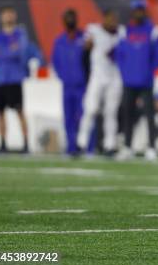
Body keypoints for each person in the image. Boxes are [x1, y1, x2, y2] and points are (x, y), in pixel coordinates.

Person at [116, 0, 158, 161]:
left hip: (146, 81)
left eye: (141, 9)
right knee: (128, 115)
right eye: (136, 9)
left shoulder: (153, 31)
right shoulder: (124, 31)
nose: (138, 12)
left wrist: (149, 73)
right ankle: (127, 147)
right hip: (129, 80)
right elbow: (120, 56)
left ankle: (151, 147)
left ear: (145, 11)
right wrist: (125, 74)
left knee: (150, 115)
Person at [76, 9, 123, 156]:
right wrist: (88, 45)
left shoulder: (121, 33)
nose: (113, 22)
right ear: (104, 19)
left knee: (111, 112)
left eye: (115, 20)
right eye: (110, 19)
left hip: (115, 77)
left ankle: (110, 145)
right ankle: (81, 143)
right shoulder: (93, 30)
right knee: (90, 109)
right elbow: (85, 46)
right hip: (97, 76)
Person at [0, 7, 30, 153]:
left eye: (10, 13)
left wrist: (4, 53)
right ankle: (3, 143)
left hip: (14, 78)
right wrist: (9, 51)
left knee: (19, 110)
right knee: (0, 112)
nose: (8, 16)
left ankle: (26, 143)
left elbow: (21, 51)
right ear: (1, 17)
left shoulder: (20, 34)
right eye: (5, 14)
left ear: (15, 16)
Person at [52, 9, 88, 155]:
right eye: (67, 18)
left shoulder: (84, 39)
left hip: (82, 85)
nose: (70, 21)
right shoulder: (59, 41)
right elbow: (56, 62)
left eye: (72, 18)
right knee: (69, 118)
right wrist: (63, 76)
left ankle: (86, 146)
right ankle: (71, 147)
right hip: (67, 86)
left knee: (83, 116)